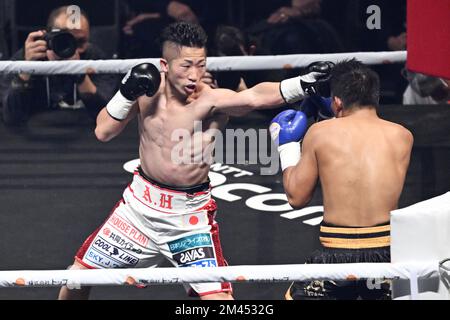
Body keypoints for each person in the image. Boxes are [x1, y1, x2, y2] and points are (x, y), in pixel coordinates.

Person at [58, 21, 333, 300]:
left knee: (219, 300)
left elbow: (254, 97)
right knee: (76, 280)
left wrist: (302, 85)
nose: (194, 75)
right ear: (164, 65)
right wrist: (125, 93)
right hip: (138, 209)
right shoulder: (145, 92)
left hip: (188, 218)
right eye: (186, 66)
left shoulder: (210, 100)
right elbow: (103, 131)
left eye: (200, 64)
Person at [269, 59, 414, 299]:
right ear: (375, 97)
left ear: (337, 102)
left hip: (337, 256)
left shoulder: (320, 133)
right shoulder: (403, 136)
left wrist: (287, 146)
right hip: (386, 259)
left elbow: (296, 197)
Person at [0, 6, 117, 126]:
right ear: (48, 35)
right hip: (35, 135)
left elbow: (107, 117)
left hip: (85, 135)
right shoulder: (29, 56)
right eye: (65, 39)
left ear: (88, 38)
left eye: (80, 42)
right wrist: (26, 71)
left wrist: (80, 74)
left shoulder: (96, 58)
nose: (71, 48)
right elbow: (12, 117)